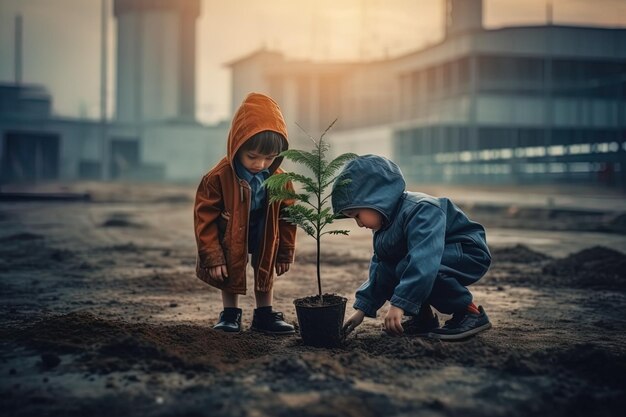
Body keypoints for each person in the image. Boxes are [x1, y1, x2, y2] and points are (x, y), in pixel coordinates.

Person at [332, 155, 492, 340]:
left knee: (412, 266)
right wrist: (362, 309)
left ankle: (470, 313)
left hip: (466, 252)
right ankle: (422, 318)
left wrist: (399, 305)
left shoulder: (421, 209)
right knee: (393, 266)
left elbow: (424, 260)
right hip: (433, 256)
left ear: (375, 198)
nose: (359, 224)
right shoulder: (384, 223)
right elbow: (381, 269)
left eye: (357, 215)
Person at [194, 92, 297, 334]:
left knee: (265, 262)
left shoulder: (280, 179)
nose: (260, 164)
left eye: (269, 158)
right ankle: (230, 314)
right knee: (231, 264)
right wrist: (213, 256)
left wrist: (285, 252)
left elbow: (288, 217)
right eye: (252, 156)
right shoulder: (217, 178)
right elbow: (204, 218)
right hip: (230, 228)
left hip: (264, 226)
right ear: (237, 145)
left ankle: (264, 314)